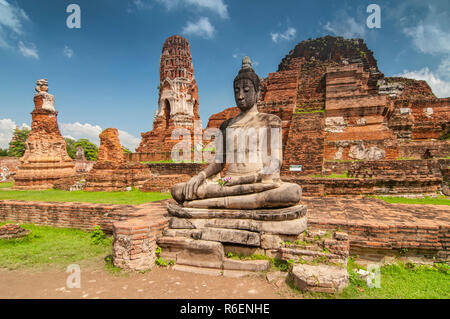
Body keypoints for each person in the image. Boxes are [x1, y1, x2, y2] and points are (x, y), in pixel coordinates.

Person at [171, 57, 301, 209]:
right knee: (179, 190)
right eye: (236, 91)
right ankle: (232, 203)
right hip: (228, 183)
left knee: (291, 193)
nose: (240, 96)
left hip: (256, 181)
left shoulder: (270, 121)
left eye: (246, 90)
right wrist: (200, 176)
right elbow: (219, 162)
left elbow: (275, 162)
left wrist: (252, 179)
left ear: (257, 91)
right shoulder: (226, 125)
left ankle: (213, 204)